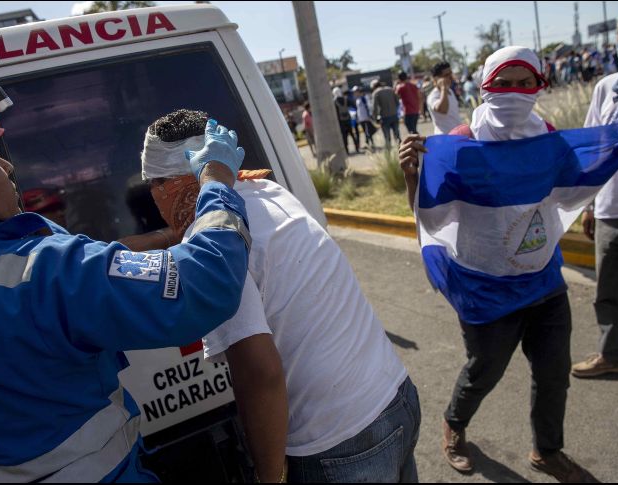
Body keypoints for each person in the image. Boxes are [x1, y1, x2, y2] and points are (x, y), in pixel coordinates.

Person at [0, 66, 251, 482]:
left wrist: (163, 237)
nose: (8, 167)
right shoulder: (42, 275)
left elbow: (95, 263)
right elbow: (205, 283)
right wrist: (217, 179)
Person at [142, 109, 421, 483]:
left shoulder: (213, 252)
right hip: (395, 396)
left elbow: (259, 375)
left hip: (339, 445)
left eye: (152, 186)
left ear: (170, 187)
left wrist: (269, 476)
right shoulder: (267, 191)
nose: (151, 198)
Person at [399, 47, 599, 483]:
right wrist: (413, 176)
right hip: (486, 287)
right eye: (503, 83)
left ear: (538, 86)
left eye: (523, 82)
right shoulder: (464, 143)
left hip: (544, 280)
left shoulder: (546, 134)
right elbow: (430, 216)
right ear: (487, 85)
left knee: (553, 375)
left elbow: (566, 189)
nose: (513, 92)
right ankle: (454, 423)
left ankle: (547, 451)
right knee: (482, 372)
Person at [572, 2, 618, 379]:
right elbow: (595, 149)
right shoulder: (606, 88)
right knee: (608, 294)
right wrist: (589, 205)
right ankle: (612, 354)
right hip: (611, 211)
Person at [427, 61, 463, 135]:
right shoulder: (433, 96)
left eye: (450, 73)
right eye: (446, 75)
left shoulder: (450, 91)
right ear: (437, 79)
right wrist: (443, 87)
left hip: (457, 136)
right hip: (445, 138)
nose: (451, 78)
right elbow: (443, 110)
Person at [371, 79, 401, 148]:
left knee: (387, 137)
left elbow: (374, 108)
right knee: (397, 135)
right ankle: (401, 150)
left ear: (374, 86)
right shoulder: (390, 89)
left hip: (384, 117)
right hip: (394, 115)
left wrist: (375, 119)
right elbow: (397, 102)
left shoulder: (376, 92)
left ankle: (390, 153)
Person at [333, 86, 359, 154]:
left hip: (341, 122)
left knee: (344, 137)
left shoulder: (334, 101)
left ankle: (347, 151)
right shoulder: (345, 99)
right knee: (352, 135)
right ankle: (357, 147)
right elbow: (353, 106)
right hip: (348, 119)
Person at [353, 86, 377, 150]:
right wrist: (357, 118)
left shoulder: (363, 98)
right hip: (361, 119)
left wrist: (369, 116)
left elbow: (367, 107)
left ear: (358, 91)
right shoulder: (357, 99)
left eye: (355, 92)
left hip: (366, 118)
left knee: (368, 131)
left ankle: (370, 143)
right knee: (365, 131)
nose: (354, 93)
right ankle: (368, 143)